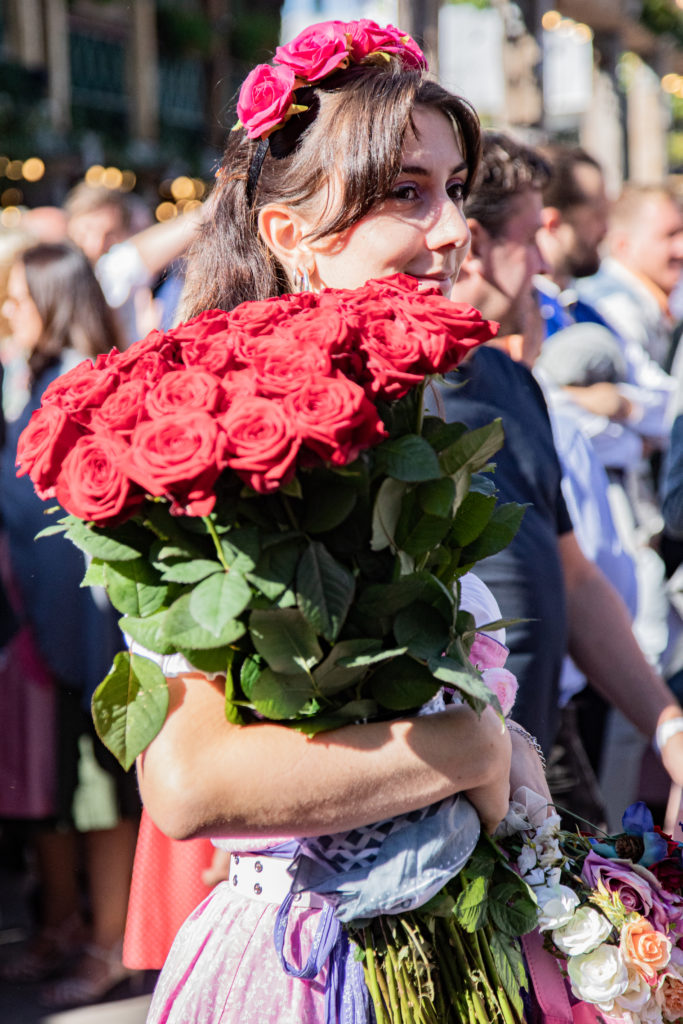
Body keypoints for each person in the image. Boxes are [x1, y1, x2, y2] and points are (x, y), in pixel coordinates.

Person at [130, 22, 549, 1024]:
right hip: (316, 971)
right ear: (288, 235)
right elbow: (188, 780)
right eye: (406, 191)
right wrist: (473, 751)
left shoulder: (401, 423)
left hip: (450, 947)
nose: (452, 229)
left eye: (453, 189)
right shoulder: (228, 446)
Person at [441, 131, 683, 788]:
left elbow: (573, 579)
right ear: (472, 249)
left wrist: (668, 728)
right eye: (527, 239)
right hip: (450, 779)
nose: (544, 266)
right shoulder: (389, 396)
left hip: (544, 746)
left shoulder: (510, 380)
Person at [0, 243, 139, 1009]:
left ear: (55, 300)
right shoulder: (35, 376)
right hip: (36, 624)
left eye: (18, 299)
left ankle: (110, 944)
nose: (8, 313)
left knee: (96, 794)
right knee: (57, 790)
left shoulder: (87, 385)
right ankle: (63, 926)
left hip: (87, 627)